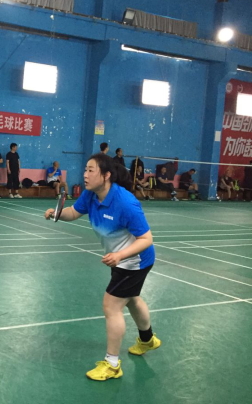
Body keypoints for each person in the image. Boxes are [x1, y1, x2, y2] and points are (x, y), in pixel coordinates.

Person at [45, 153, 160, 381]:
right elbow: (74, 212)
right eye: (85, 170)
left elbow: (147, 239)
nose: (85, 175)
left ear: (106, 175)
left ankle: (112, 365)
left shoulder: (125, 203)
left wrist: (119, 255)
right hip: (120, 259)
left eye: (91, 170)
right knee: (131, 299)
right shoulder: (91, 194)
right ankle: (148, 340)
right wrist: (57, 213)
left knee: (111, 305)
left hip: (134, 261)